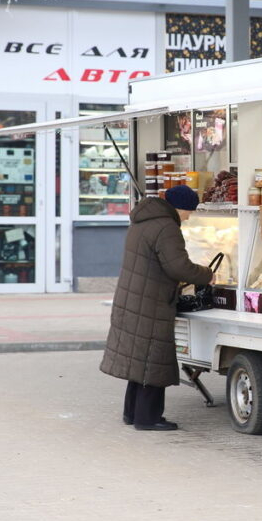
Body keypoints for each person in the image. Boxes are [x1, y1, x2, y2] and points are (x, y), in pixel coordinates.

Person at [100, 184, 214, 431]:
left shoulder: (143, 220)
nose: (189, 216)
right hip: (150, 302)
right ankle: (147, 418)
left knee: (138, 360)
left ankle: (132, 413)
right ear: (180, 207)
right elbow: (177, 267)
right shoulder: (166, 227)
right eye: (189, 211)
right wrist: (207, 275)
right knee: (153, 359)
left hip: (134, 298)